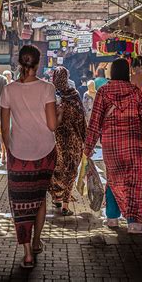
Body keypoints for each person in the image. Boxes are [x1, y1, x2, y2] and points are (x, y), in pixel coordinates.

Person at [0, 45, 61, 269]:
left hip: (19, 155)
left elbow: (4, 128)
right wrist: (60, 114)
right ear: (38, 63)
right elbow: (53, 125)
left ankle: (27, 253)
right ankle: (36, 241)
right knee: (39, 197)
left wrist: (9, 151)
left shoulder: (8, 90)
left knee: (20, 203)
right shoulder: (48, 88)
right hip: (45, 152)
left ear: (19, 63)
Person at [84, 58, 142, 234]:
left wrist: (88, 147)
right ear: (127, 72)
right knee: (135, 183)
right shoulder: (135, 92)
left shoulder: (103, 92)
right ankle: (134, 223)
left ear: (112, 73)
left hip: (111, 146)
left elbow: (94, 122)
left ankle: (112, 218)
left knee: (113, 180)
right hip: (134, 145)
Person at [50, 66, 87, 216]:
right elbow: (81, 118)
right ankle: (65, 204)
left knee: (57, 170)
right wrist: (85, 139)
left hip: (57, 140)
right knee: (71, 171)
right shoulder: (74, 95)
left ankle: (57, 198)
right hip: (74, 140)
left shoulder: (51, 96)